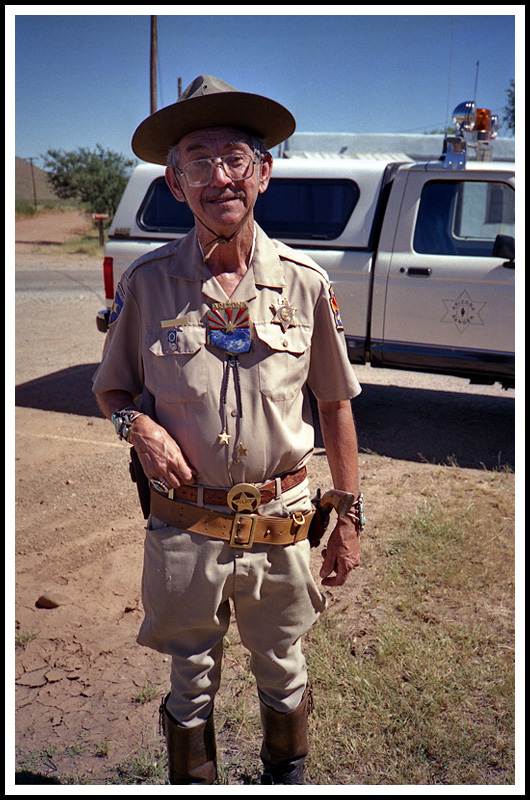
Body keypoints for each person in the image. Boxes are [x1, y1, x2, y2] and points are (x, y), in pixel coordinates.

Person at [93, 74, 363, 786]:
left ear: (264, 173)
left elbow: (335, 405)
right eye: (198, 161)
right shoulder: (148, 285)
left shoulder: (306, 283)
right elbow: (112, 388)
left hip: (282, 520)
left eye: (235, 157)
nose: (220, 177)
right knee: (190, 682)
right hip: (185, 526)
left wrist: (349, 518)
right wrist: (138, 427)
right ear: (175, 182)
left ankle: (285, 776)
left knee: (284, 669)